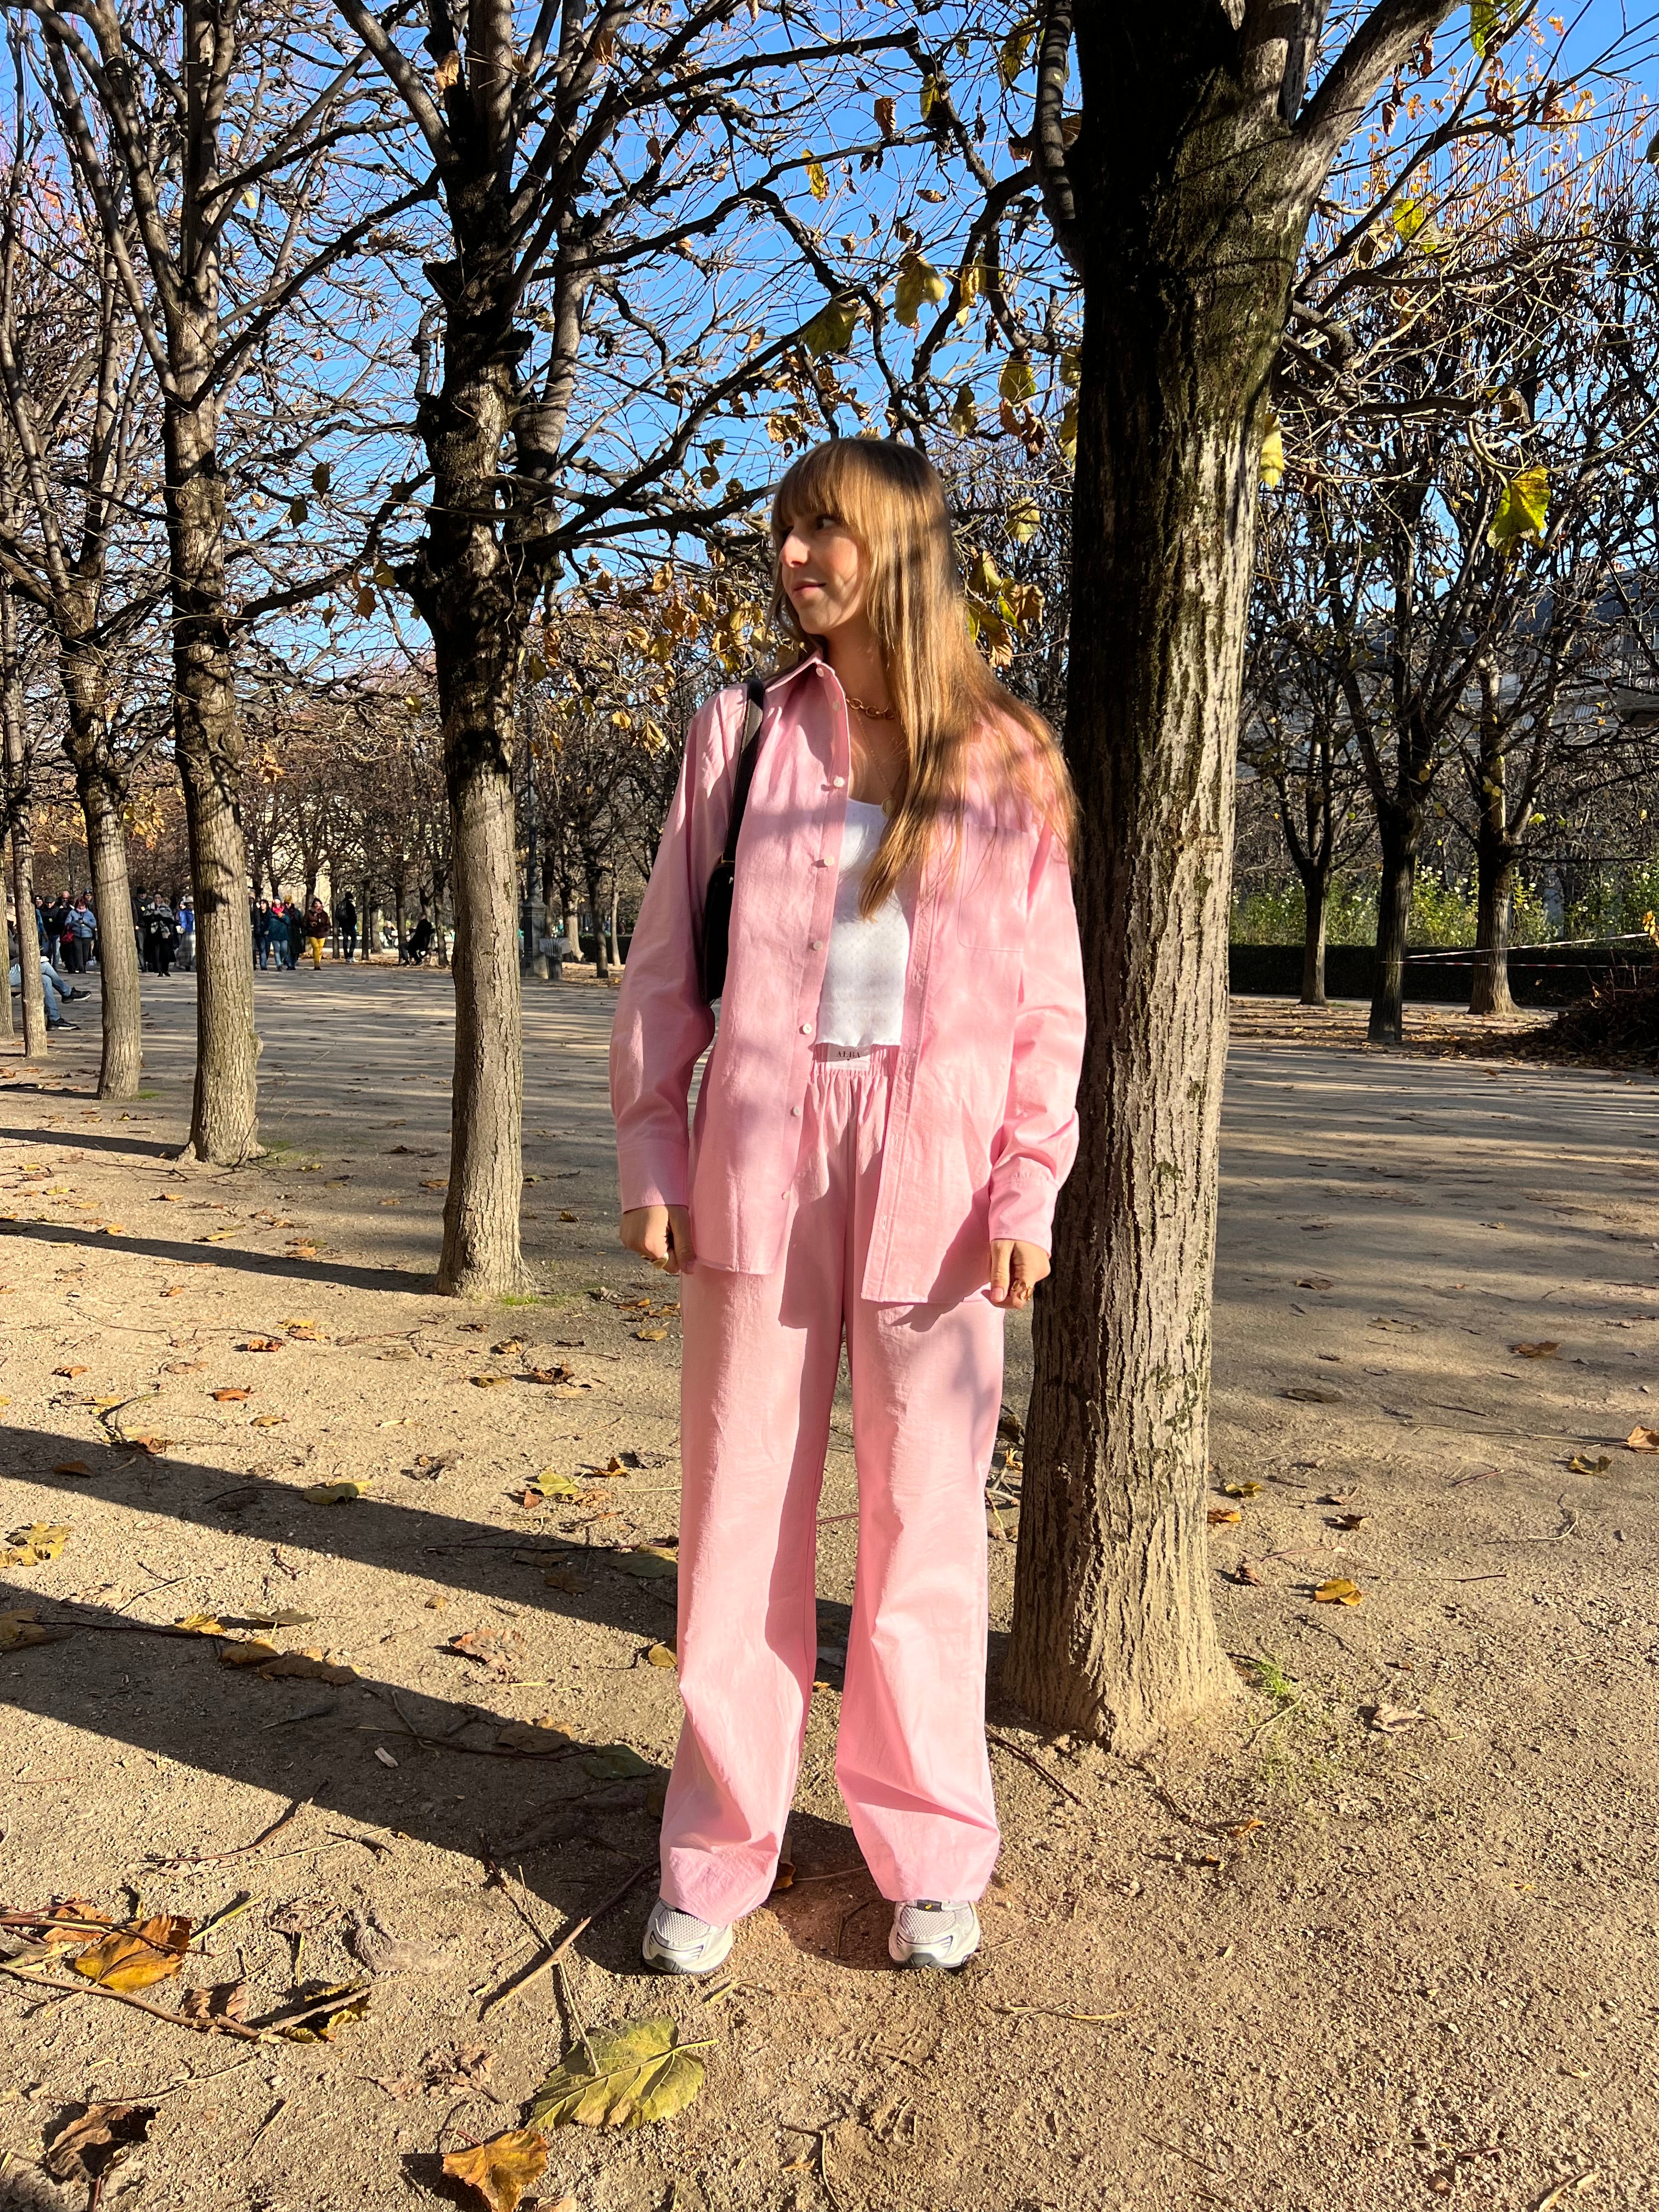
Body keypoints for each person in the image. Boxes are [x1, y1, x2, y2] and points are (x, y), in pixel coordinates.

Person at [610, 439, 1085, 1980]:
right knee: (737, 1517)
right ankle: (716, 1842)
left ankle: (931, 1841)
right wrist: (650, 1152)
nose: (800, 554)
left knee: (924, 1527)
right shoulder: (740, 735)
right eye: (788, 529)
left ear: (903, 548)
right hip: (761, 1156)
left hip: (939, 1179)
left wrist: (1030, 1179)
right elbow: (667, 969)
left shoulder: (1008, 756)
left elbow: (1047, 1006)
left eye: (832, 528)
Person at [336, 890, 358, 963]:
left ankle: (346, 955)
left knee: (345, 940)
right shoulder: (350, 905)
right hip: (350, 925)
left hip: (343, 925)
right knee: (354, 939)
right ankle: (350, 955)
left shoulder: (340, 905)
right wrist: (354, 923)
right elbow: (353, 916)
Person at [285, 899, 306, 972]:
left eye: (288, 903)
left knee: (296, 950)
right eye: (286, 903)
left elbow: (302, 923)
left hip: (296, 933)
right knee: (287, 950)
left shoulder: (297, 912)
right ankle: (289, 964)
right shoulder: (283, 912)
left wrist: (303, 933)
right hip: (286, 932)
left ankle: (293, 963)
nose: (287, 905)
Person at [252, 898, 273, 969]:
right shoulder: (258, 912)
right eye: (261, 903)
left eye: (263, 903)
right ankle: (263, 966)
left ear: (267, 905)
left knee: (267, 950)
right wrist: (257, 909)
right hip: (260, 934)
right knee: (262, 949)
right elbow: (256, 918)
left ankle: (264, 962)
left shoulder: (269, 913)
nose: (262, 905)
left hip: (268, 934)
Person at [175, 895, 194, 970]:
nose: (190, 906)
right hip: (188, 932)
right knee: (188, 949)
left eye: (191, 905)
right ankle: (187, 965)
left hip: (195, 932)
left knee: (194, 948)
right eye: (188, 905)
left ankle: (195, 963)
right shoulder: (184, 913)